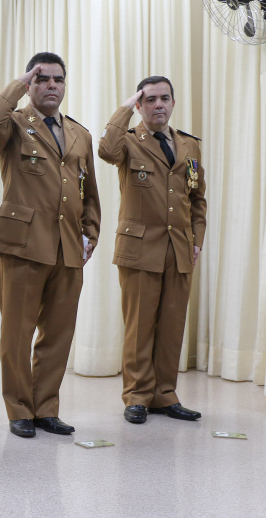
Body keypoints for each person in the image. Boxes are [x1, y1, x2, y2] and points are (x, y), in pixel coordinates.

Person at [0, 52, 101, 438]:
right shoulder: (14, 124)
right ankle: (19, 408)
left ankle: (46, 407)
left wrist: (91, 233)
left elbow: (89, 191)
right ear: (30, 84)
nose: (51, 85)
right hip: (24, 243)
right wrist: (18, 83)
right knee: (17, 333)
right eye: (42, 78)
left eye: (58, 79)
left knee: (58, 333)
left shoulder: (79, 133)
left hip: (68, 246)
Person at [98, 77, 206, 424]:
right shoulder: (129, 141)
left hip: (179, 248)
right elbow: (106, 150)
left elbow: (197, 198)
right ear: (140, 105)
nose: (159, 105)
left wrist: (197, 239)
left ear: (173, 103)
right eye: (150, 100)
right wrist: (124, 110)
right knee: (140, 327)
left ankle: (164, 395)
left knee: (172, 326)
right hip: (140, 247)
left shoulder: (189, 145)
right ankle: (137, 396)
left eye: (165, 98)